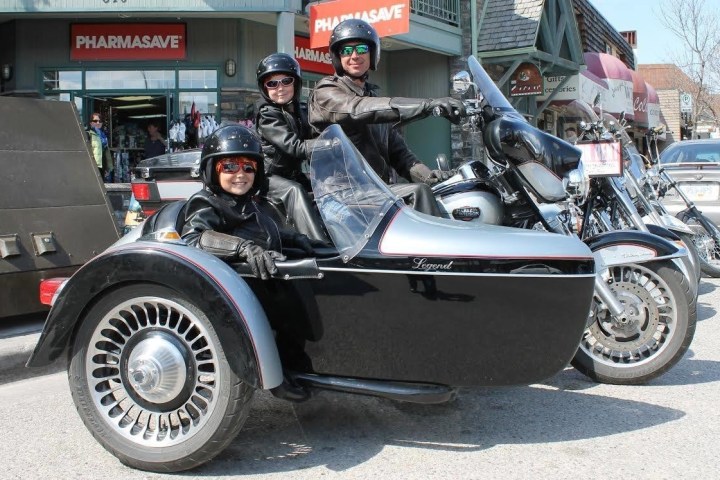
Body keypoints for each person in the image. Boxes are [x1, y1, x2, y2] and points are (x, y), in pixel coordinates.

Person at [308, 19, 466, 216]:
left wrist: (429, 176)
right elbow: (357, 109)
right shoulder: (326, 91)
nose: (354, 56)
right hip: (340, 195)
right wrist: (427, 105)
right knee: (418, 193)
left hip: (373, 191)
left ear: (372, 53)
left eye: (362, 49)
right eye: (347, 51)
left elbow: (400, 155)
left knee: (447, 192)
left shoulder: (373, 98)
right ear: (337, 56)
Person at [180, 124, 316, 280]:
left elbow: (259, 232)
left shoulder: (246, 203)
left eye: (248, 167)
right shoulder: (206, 202)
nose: (240, 174)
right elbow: (193, 238)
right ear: (212, 170)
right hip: (233, 285)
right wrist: (241, 247)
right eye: (230, 166)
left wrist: (293, 239)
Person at [254, 52, 330, 243]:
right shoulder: (267, 114)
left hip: (291, 173)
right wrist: (327, 145)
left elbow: (316, 131)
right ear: (264, 87)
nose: (280, 88)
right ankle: (318, 244)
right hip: (268, 177)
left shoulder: (299, 110)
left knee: (327, 187)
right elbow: (294, 146)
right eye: (272, 83)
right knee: (294, 191)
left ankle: (342, 234)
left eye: (286, 81)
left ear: (295, 83)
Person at [87, 112, 112, 179]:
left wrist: (108, 167)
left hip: (102, 164)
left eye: (100, 121)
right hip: (93, 165)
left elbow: (106, 152)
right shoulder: (88, 134)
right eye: (95, 121)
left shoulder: (103, 135)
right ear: (91, 123)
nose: (98, 123)